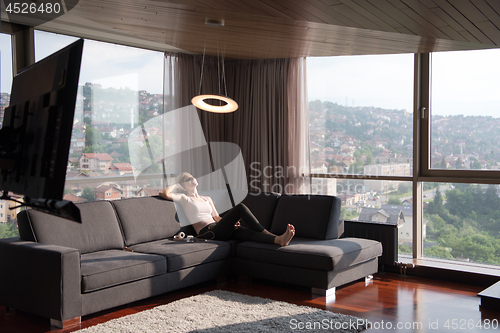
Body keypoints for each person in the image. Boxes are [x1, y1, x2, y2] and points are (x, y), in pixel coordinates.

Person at [159, 172, 295, 246]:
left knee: (248, 234)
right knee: (240, 207)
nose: (192, 179)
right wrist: (176, 185)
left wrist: (230, 223)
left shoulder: (207, 198)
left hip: (218, 227)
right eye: (188, 179)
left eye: (192, 176)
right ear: (183, 185)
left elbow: (217, 218)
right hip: (207, 233)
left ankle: (279, 240)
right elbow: (164, 194)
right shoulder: (185, 199)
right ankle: (269, 234)